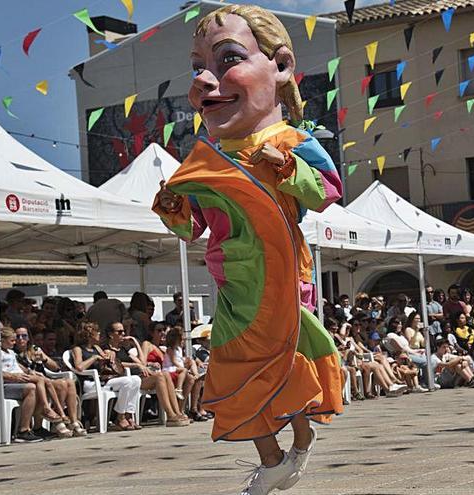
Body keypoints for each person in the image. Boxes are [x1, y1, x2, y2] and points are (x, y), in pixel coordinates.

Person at [153, 6, 344, 493]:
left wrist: (285, 166)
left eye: (227, 60)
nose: (206, 81)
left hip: (284, 277)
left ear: (280, 66)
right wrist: (171, 206)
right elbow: (190, 227)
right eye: (199, 68)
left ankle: (295, 448)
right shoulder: (205, 157)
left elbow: (324, 192)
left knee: (287, 361)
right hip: (234, 285)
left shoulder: (293, 139)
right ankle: (277, 457)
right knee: (234, 372)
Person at [103, 321, 190, 427]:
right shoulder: (107, 349)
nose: (123, 334)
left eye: (124, 331)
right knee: (160, 377)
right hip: (128, 379)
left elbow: (141, 361)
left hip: (139, 377)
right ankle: (170, 415)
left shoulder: (124, 349)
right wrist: (136, 365)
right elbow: (116, 364)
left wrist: (135, 343)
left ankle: (177, 412)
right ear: (110, 334)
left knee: (165, 374)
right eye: (120, 332)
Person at [71, 322, 143, 431]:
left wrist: (111, 353)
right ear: (89, 335)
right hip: (90, 383)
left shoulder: (97, 347)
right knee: (127, 382)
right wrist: (94, 358)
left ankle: (128, 415)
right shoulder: (78, 349)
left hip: (103, 381)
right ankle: (120, 417)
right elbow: (79, 367)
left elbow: (107, 357)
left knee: (136, 380)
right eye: (97, 332)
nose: (99, 334)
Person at [13, 326, 81, 437]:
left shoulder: (34, 349)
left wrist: (44, 359)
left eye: (24, 336)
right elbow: (19, 370)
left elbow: (55, 367)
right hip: (31, 381)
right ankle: (58, 419)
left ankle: (73, 421)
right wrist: (32, 372)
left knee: (69, 382)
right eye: (17, 336)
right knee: (61, 384)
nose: (21, 339)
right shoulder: (13, 353)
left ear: (29, 338)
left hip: (44, 379)